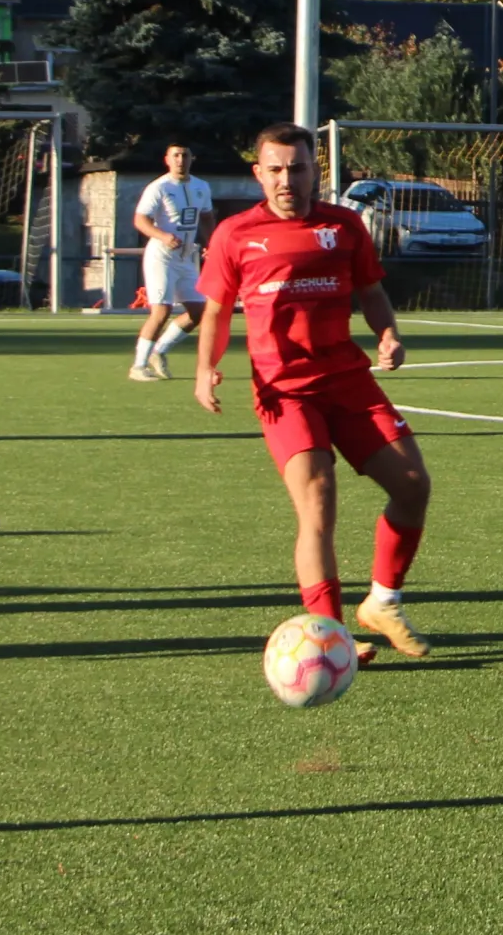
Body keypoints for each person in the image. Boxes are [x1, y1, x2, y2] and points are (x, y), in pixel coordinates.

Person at [193, 122, 432, 664]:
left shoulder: (344, 226)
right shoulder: (235, 234)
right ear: (258, 174)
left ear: (314, 171)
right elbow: (215, 310)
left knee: (413, 485)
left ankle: (383, 603)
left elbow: (371, 292)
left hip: (348, 379)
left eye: (297, 168)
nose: (286, 180)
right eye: (275, 169)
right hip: (285, 392)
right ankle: (328, 635)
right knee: (318, 500)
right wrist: (205, 368)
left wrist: (388, 334)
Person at [129, 143, 217, 382]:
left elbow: (207, 216)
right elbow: (140, 219)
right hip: (162, 256)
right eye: (176, 155)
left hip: (187, 257)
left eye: (185, 155)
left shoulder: (201, 186)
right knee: (161, 311)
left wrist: (213, 243)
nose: (180, 159)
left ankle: (159, 351)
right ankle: (138, 366)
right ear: (167, 159)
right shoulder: (159, 187)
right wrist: (162, 235)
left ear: (192, 158)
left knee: (200, 312)